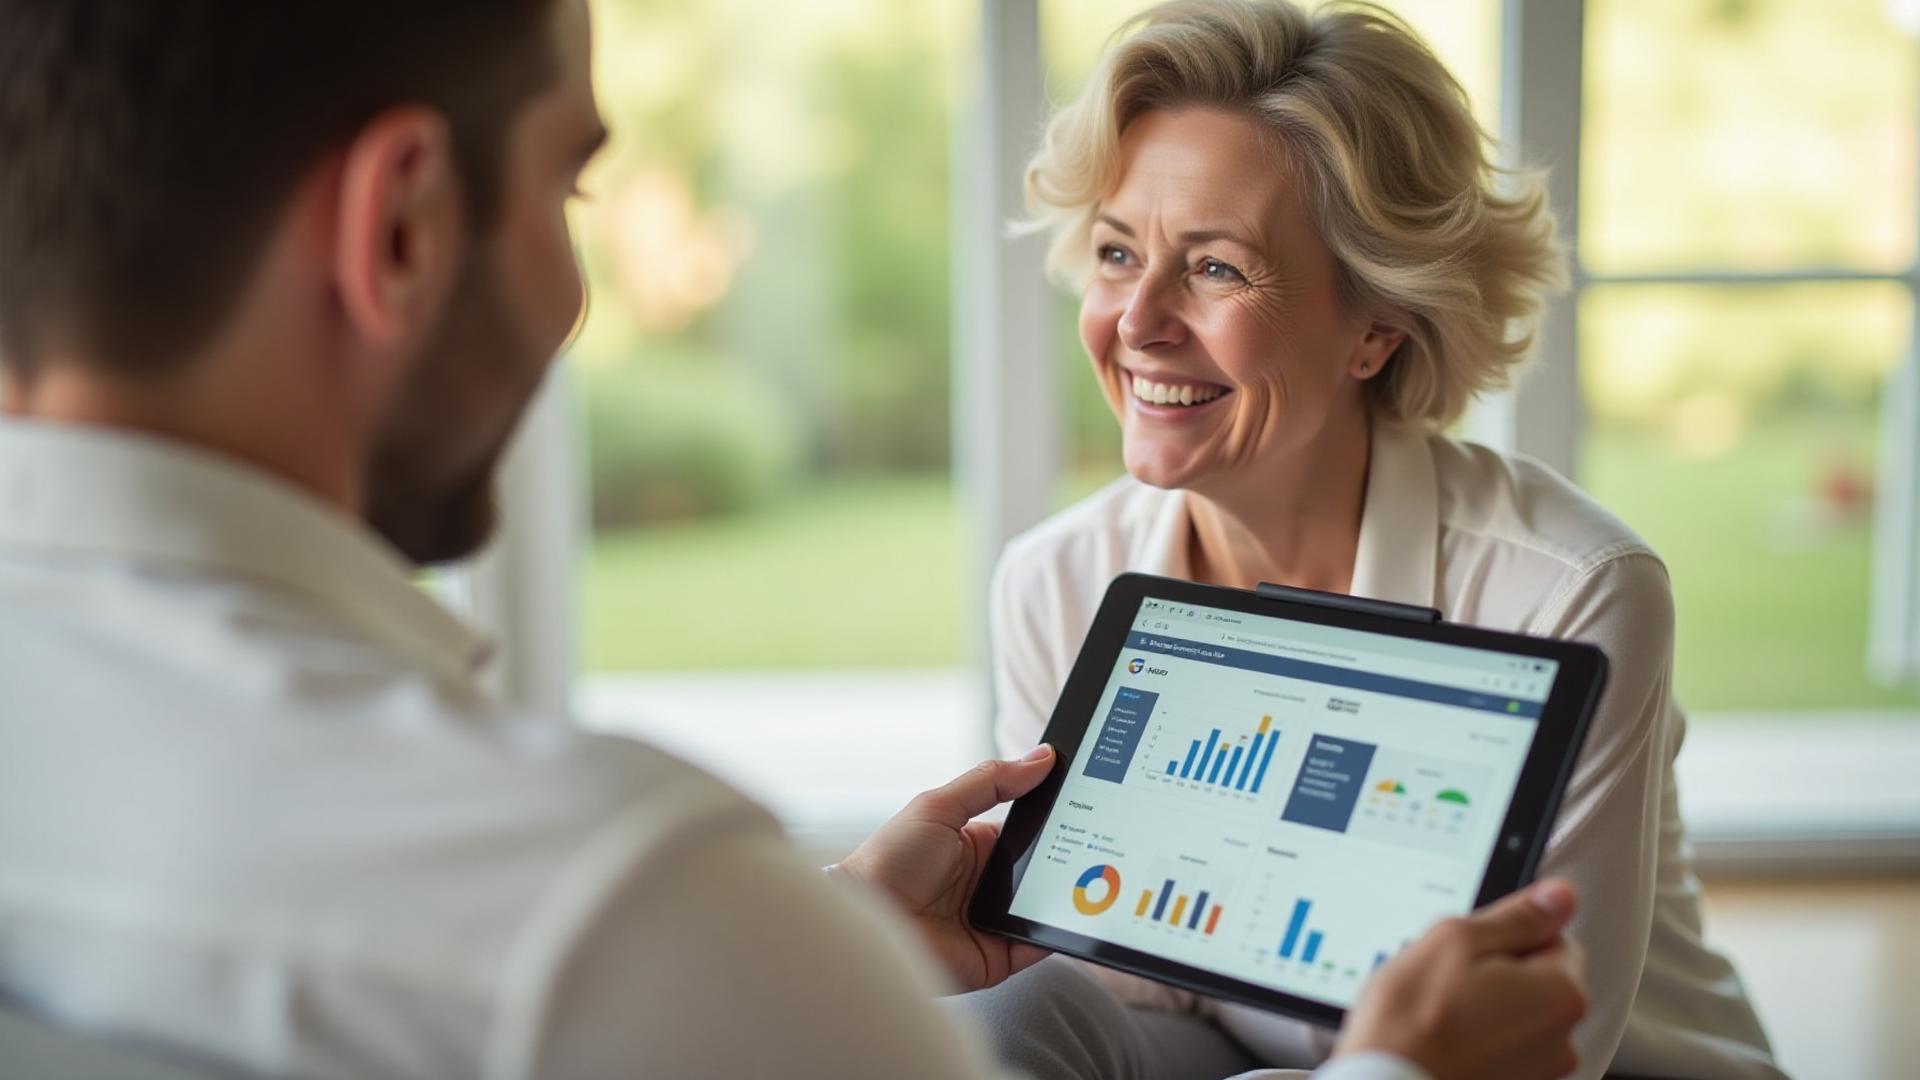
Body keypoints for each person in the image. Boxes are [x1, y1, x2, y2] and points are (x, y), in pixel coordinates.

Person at [0, 1, 1584, 1077]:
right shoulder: (617, 901)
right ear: (401, 227)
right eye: (573, 186)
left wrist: (829, 926)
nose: (575, 289)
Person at [971, 1, 1784, 1079]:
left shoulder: (1574, 590)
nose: (1138, 321)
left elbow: (1525, 1041)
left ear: (1375, 327)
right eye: (1119, 252)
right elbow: (1111, 972)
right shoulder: (1055, 581)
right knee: (998, 1026)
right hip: (1249, 1054)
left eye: (1215, 267)